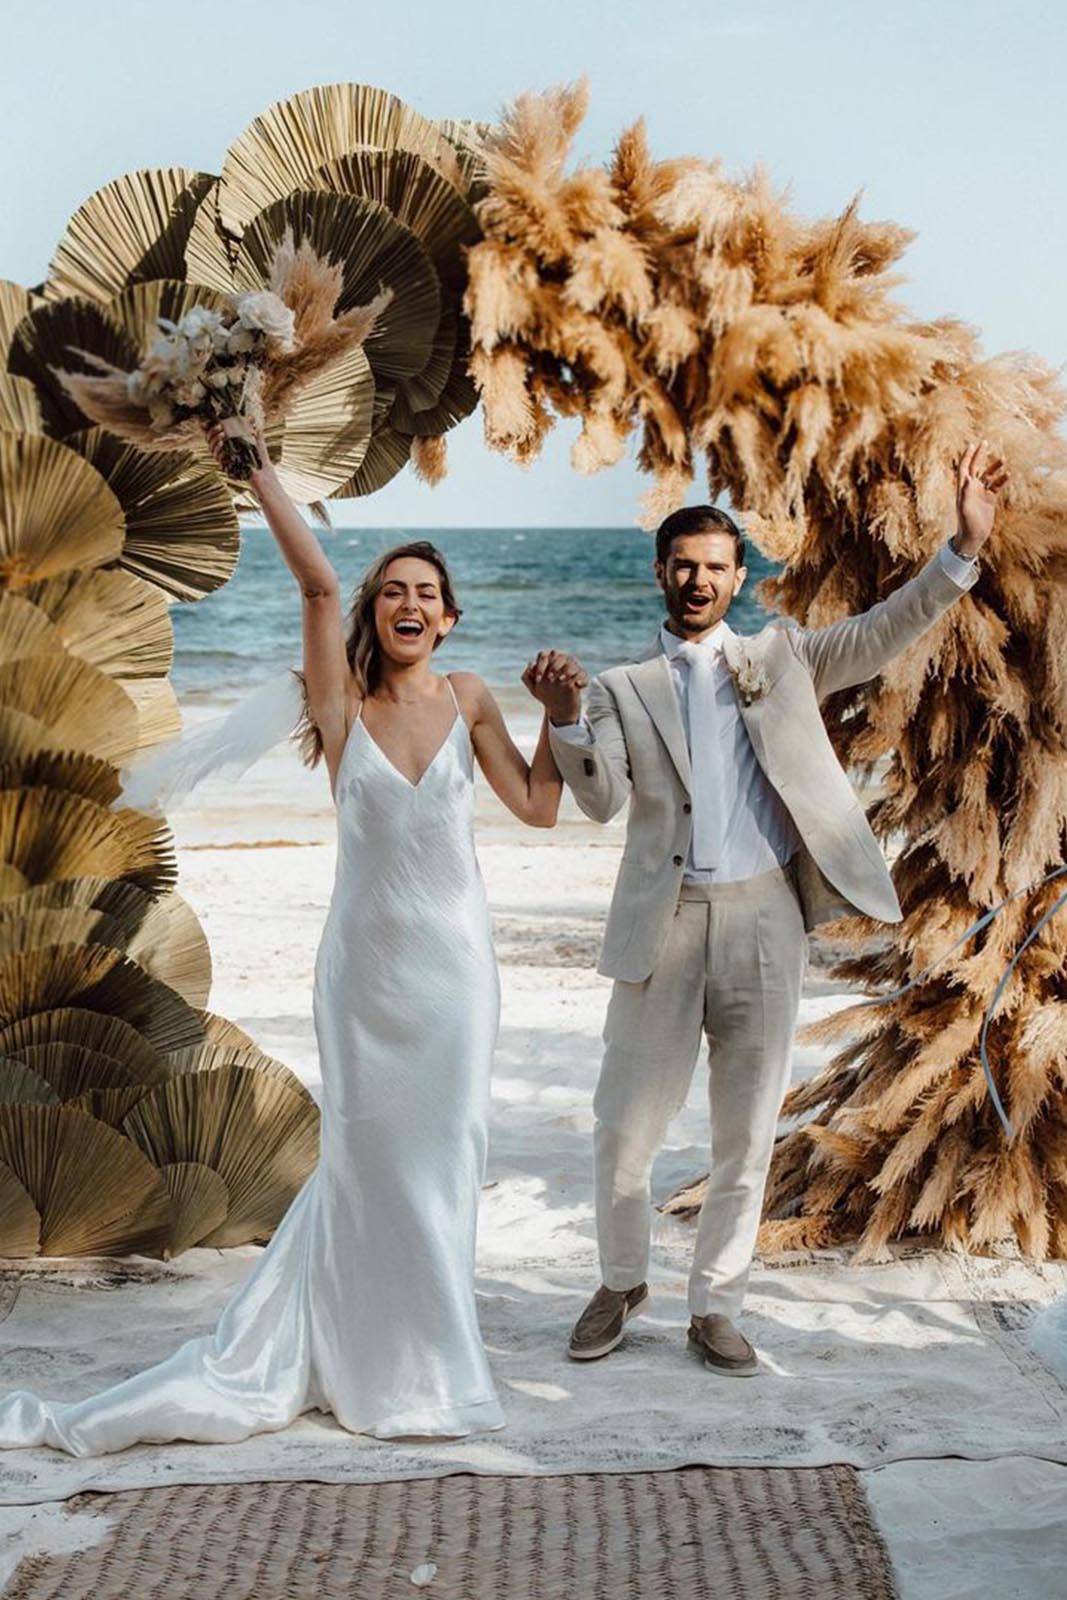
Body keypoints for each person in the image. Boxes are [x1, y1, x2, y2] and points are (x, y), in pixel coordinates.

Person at [0, 421, 580, 1455]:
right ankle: (366, 1363)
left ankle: (427, 1363)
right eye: (391, 590)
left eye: (424, 594)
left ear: (450, 618)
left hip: (456, 980)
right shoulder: (341, 705)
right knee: (368, 1158)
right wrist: (260, 473)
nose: (407, 604)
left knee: (444, 1160)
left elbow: (539, 806)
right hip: (365, 978)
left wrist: (561, 715)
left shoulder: (472, 697)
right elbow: (316, 589)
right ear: (374, 611)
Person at [525, 441, 1006, 1378]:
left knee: (745, 1128)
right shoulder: (623, 689)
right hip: (662, 925)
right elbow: (599, 800)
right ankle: (622, 1282)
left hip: (762, 921)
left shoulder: (780, 657)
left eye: (715, 567)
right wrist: (565, 719)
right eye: (683, 565)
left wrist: (958, 550)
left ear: (738, 577)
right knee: (624, 1125)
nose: (698, 581)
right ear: (660, 572)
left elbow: (879, 630)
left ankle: (718, 1305)